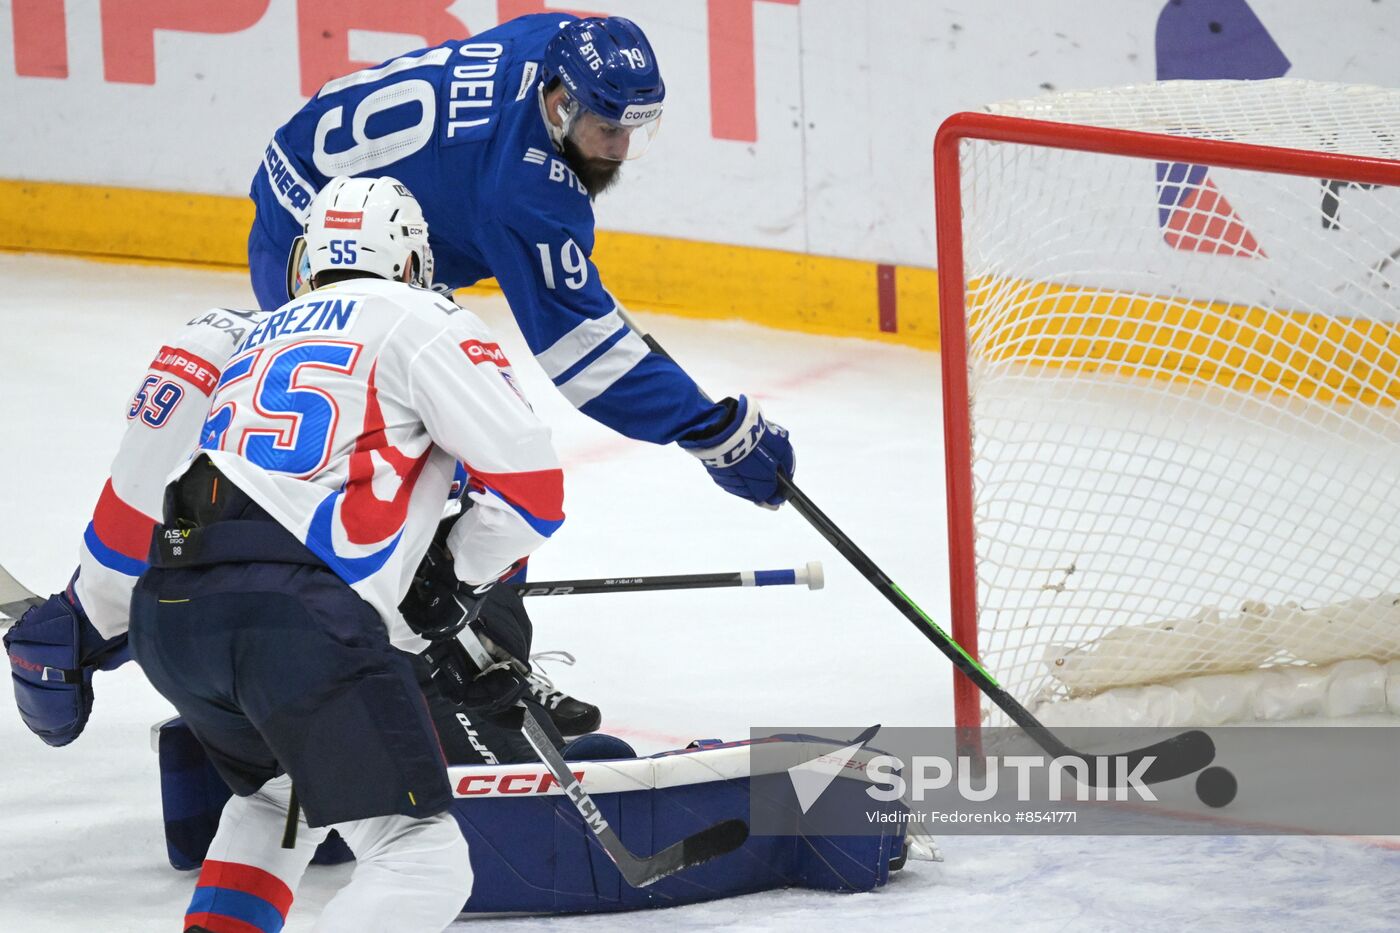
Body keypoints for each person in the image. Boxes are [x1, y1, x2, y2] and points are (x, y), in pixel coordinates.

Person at [247, 13, 798, 728]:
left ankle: (458, 650)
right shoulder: (524, 193)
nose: (622, 149)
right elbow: (588, 359)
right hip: (320, 243)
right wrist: (710, 430)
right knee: (439, 458)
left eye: (636, 128)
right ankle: (441, 679)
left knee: (465, 435)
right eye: (608, 129)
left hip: (330, 190)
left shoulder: (556, 42)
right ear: (561, 102)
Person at [123, 174, 564, 932]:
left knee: (278, 799)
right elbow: (532, 490)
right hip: (294, 621)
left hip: (169, 607)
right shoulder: (425, 317)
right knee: (423, 856)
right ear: (415, 264)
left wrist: (414, 611)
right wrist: (453, 584)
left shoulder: (262, 330)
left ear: (304, 260)